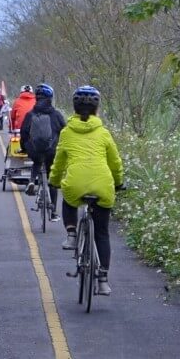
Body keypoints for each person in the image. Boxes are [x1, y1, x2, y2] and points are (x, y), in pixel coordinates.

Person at [49, 86, 123, 295]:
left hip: (75, 183)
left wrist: (54, 181)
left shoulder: (66, 132)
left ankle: (71, 234)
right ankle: (103, 280)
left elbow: (59, 162)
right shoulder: (104, 133)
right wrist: (118, 182)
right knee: (102, 233)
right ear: (97, 108)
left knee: (69, 200)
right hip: (103, 185)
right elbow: (115, 162)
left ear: (74, 107)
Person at [21, 83, 65, 219]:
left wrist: (24, 148)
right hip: (52, 150)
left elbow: (24, 133)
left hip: (35, 150)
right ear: (50, 98)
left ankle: (32, 181)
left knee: (37, 162)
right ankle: (53, 212)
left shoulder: (30, 115)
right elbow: (65, 132)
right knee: (52, 177)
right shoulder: (56, 115)